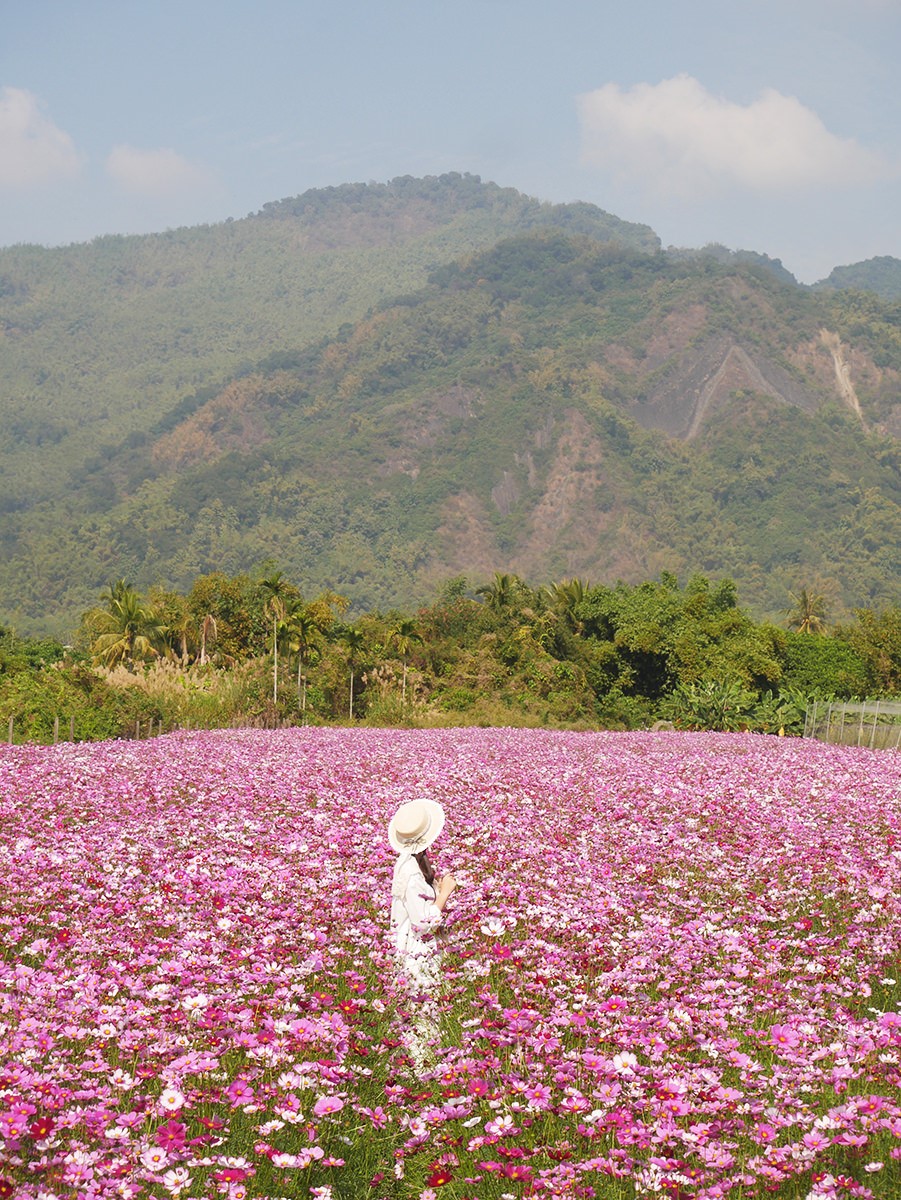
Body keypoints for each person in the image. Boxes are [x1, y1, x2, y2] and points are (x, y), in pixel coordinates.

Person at [388, 798, 457, 1068]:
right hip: (417, 954)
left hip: (411, 950)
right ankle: (419, 1071)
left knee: (415, 1014)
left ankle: (414, 1069)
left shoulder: (408, 862)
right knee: (422, 1016)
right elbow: (423, 922)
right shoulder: (412, 872)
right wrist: (444, 894)